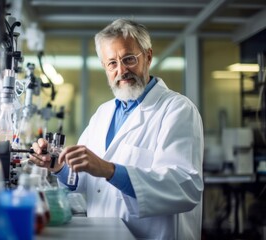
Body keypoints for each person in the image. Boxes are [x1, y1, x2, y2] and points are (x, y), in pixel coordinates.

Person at [30, 18, 204, 240]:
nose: (121, 70)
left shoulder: (178, 110)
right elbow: (88, 182)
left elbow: (185, 188)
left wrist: (110, 170)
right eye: (112, 63)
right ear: (105, 67)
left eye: (129, 59)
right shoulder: (103, 114)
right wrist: (58, 166)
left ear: (148, 56)